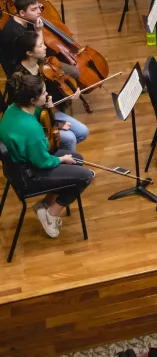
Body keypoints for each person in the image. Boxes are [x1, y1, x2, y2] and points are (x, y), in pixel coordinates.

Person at [0, 72, 94, 239]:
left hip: (16, 167)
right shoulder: (30, 129)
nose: (47, 94)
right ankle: (51, 214)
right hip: (29, 175)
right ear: (32, 100)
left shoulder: (13, 109)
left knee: (77, 160)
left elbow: (38, 117)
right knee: (86, 176)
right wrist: (62, 159)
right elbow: (43, 161)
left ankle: (44, 204)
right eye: (43, 93)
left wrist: (48, 108)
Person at [11, 32, 88, 152]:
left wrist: (69, 95)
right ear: (29, 53)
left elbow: (52, 95)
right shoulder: (21, 77)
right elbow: (26, 110)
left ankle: (56, 150)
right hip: (37, 118)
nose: (45, 47)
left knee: (83, 131)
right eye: (40, 45)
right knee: (70, 138)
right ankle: (62, 161)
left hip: (50, 111)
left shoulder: (44, 66)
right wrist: (57, 124)